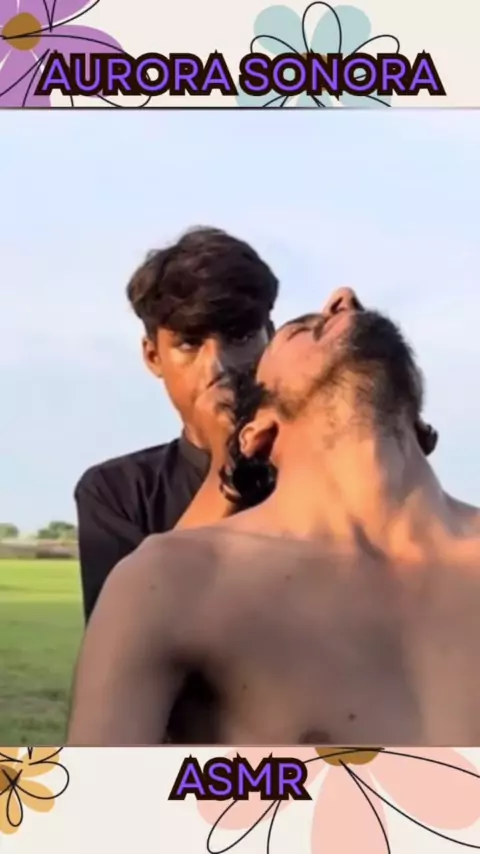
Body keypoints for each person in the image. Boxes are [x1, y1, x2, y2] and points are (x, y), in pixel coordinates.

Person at [67, 287, 480, 746]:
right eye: (300, 330)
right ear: (256, 433)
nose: (343, 300)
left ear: (420, 422)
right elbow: (95, 790)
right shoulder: (170, 580)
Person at [74, 226, 278, 622]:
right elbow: (122, 633)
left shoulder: (323, 472)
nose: (218, 367)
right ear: (153, 357)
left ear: (270, 339)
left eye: (239, 337)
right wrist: (229, 466)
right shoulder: (118, 491)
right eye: (189, 343)